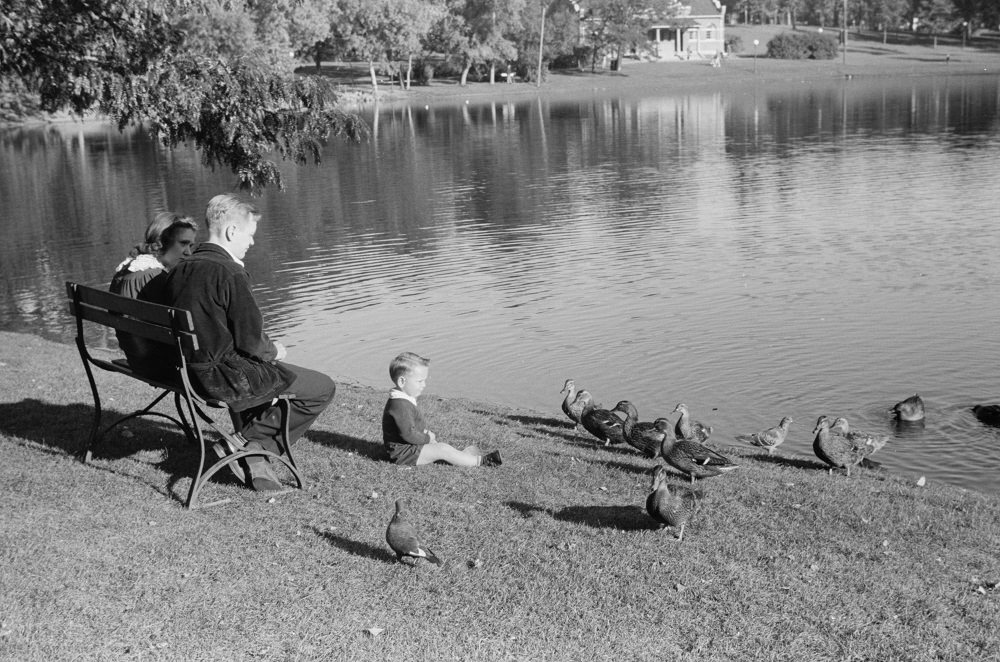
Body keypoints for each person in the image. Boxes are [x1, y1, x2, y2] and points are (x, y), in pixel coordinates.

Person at [161, 194, 336, 491]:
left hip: (184, 369)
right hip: (220, 376)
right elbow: (252, 342)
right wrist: (275, 350)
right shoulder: (230, 272)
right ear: (231, 232)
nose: (252, 243)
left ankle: (252, 451)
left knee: (259, 370)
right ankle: (245, 444)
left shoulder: (180, 268)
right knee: (321, 388)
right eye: (250, 235)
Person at [109, 212, 198, 377]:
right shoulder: (155, 277)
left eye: (191, 246)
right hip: (160, 366)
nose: (189, 253)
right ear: (162, 242)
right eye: (183, 244)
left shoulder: (127, 268)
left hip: (138, 359)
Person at [382, 352, 502, 467]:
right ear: (402, 381)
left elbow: (409, 427)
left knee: (440, 447)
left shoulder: (403, 400)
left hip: (407, 449)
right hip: (402, 454)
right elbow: (408, 434)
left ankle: (461, 457)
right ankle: (483, 461)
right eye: (420, 381)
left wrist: (424, 434)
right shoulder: (400, 405)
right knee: (442, 449)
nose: (424, 385)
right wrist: (427, 438)